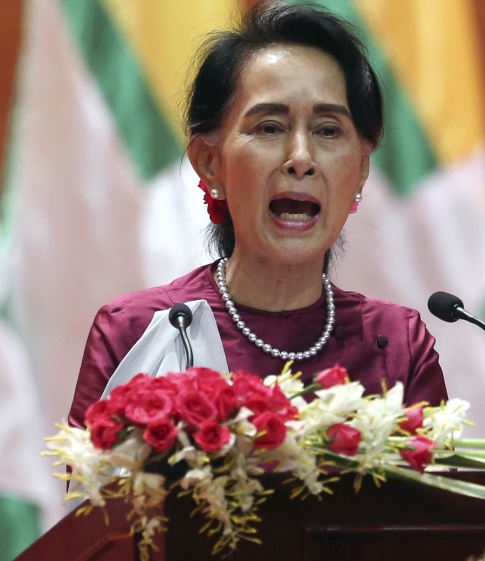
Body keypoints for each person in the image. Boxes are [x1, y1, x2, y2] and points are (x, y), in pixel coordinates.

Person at [67, 2, 448, 428]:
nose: (301, 158)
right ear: (210, 163)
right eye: (269, 128)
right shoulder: (139, 333)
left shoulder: (396, 346)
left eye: (328, 130)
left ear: (361, 169)